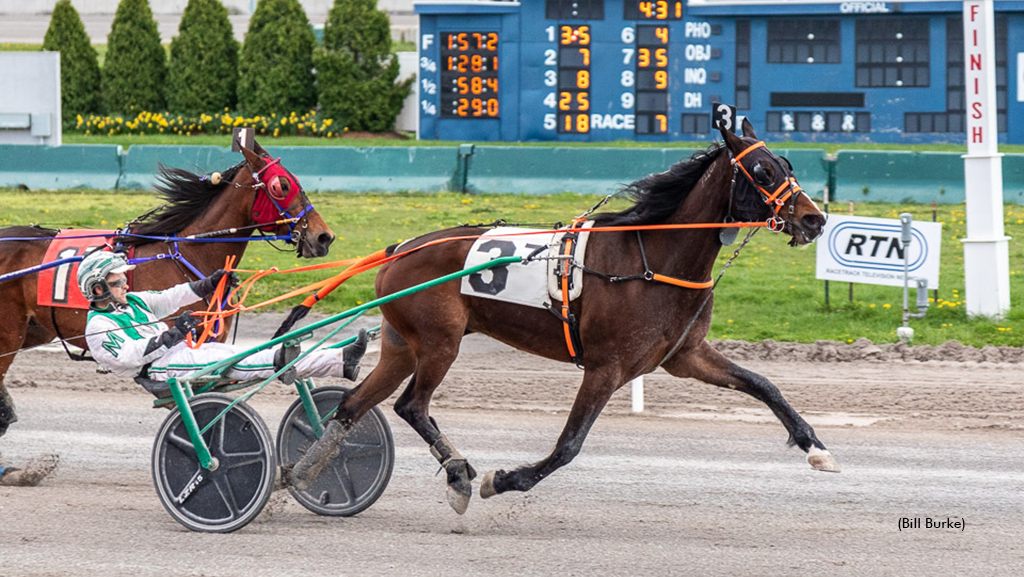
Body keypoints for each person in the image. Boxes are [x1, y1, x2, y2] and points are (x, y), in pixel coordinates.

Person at [78, 250, 367, 397]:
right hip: (159, 371)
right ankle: (284, 361)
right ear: (99, 289)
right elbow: (129, 357)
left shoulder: (136, 301)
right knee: (238, 361)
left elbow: (171, 296)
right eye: (117, 281)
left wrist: (208, 284)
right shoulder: (97, 327)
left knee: (239, 355)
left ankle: (340, 361)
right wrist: (173, 334)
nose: (125, 284)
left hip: (180, 355)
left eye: (124, 279)